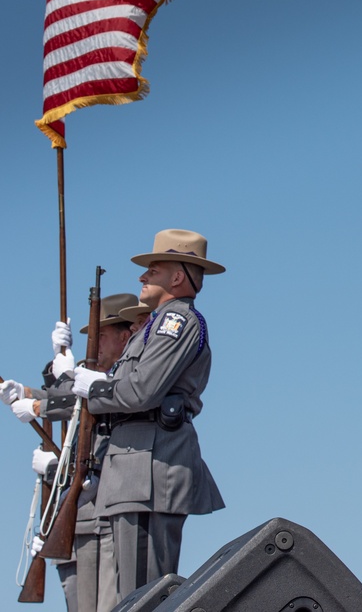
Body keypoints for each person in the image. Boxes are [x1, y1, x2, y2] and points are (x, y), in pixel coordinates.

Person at [72, 229, 226, 601]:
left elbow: (142, 390)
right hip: (133, 470)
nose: (142, 276)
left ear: (177, 278)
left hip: (148, 472)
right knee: (133, 595)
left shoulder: (178, 322)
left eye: (153, 270)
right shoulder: (155, 325)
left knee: (143, 595)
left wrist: (94, 388)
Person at [3, 293, 139, 612]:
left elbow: (81, 402)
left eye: (101, 336)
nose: (95, 344)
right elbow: (71, 400)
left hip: (99, 513)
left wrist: (41, 401)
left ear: (125, 337)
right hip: (81, 515)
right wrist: (27, 392)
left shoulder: (120, 380)